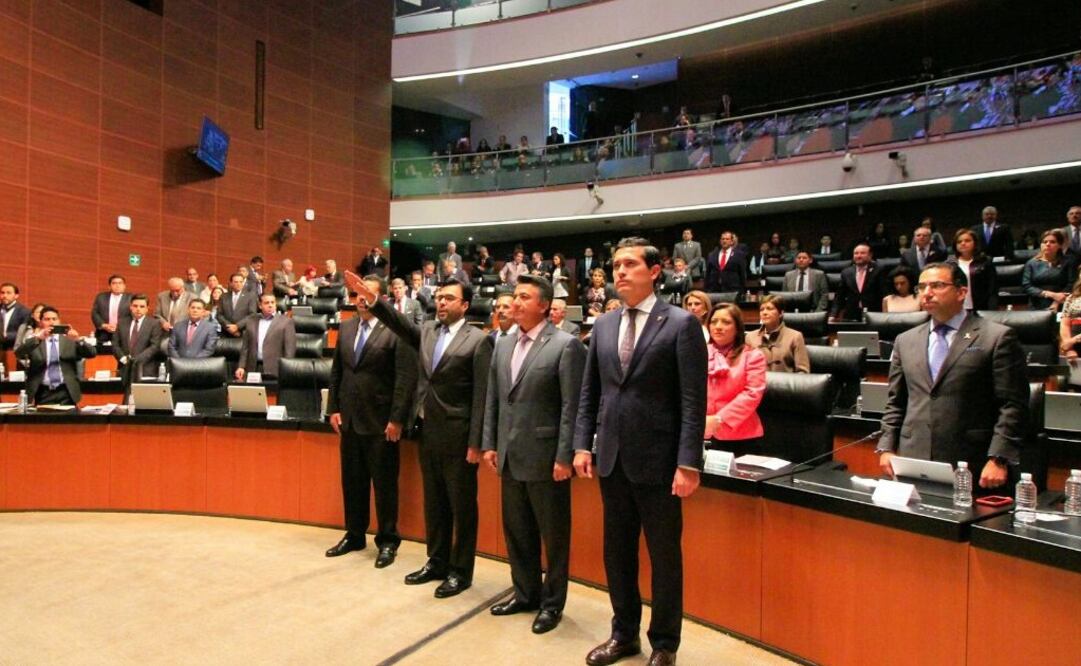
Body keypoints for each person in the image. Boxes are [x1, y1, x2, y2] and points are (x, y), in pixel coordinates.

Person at [572, 237, 707, 666]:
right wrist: (581, 444)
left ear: (654, 272)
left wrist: (688, 462)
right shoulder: (606, 325)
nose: (620, 272)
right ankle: (623, 634)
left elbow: (692, 401)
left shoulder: (681, 324)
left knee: (665, 557)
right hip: (611, 456)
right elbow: (590, 392)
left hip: (661, 461)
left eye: (629, 264)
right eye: (615, 265)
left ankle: (664, 643)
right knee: (618, 552)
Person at [354, 273, 492, 599]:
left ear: (465, 305)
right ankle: (437, 561)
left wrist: (477, 441)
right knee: (435, 503)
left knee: (461, 508)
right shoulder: (428, 330)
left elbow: (482, 396)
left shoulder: (478, 339)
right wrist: (375, 302)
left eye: (449, 298)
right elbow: (401, 325)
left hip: (459, 436)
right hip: (428, 431)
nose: (441, 302)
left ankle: (460, 571)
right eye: (439, 297)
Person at [482, 275, 585, 634]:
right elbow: (494, 399)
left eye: (524, 297)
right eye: (515, 296)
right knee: (518, 532)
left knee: (554, 538)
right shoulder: (504, 344)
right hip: (510, 454)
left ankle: (552, 604)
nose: (516, 303)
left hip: (547, 458)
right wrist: (490, 443)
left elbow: (573, 406)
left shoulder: (565, 345)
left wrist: (565, 456)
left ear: (544, 305)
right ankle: (525, 593)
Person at [877, 263, 1028, 493]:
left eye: (937, 285)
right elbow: (896, 400)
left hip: (972, 462)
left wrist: (999, 458)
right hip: (914, 457)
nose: (927, 292)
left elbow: (1013, 404)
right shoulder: (905, 340)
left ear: (961, 292)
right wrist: (886, 446)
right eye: (922, 287)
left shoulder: (996, 337)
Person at [326, 275, 418, 569]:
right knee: (352, 482)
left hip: (382, 423)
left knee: (385, 485)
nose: (361, 299)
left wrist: (397, 419)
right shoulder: (348, 326)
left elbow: (405, 378)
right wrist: (334, 408)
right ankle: (354, 534)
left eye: (367, 294)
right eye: (357, 294)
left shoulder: (395, 329)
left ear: (382, 299)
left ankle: (388, 540)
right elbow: (338, 371)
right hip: (350, 419)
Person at [704, 303, 767, 447]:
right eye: (714, 321)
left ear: (738, 327)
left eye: (726, 322)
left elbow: (752, 394)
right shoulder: (698, 352)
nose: (718, 326)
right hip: (700, 430)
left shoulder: (753, 356)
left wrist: (719, 419)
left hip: (739, 435)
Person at [16, 306, 96, 405]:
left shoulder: (70, 339)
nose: (51, 322)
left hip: (67, 391)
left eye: (54, 319)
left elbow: (92, 353)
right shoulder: (34, 340)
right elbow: (19, 353)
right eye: (47, 319)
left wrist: (78, 340)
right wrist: (38, 338)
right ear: (40, 322)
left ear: (59, 321)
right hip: (42, 392)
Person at [236, 294, 297, 380]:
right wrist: (241, 366)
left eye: (272, 302)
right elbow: (245, 347)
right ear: (260, 305)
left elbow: (289, 349)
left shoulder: (286, 322)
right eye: (266, 303)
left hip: (275, 369)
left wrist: (287, 369)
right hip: (254, 368)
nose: (270, 305)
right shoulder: (251, 321)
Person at [114, 294, 163, 399]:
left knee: (144, 401)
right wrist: (123, 358)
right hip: (125, 368)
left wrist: (136, 360)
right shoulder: (122, 322)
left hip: (145, 367)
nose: (138, 309)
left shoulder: (154, 323)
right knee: (126, 400)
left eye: (142, 306)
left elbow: (155, 346)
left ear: (147, 309)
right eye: (135, 306)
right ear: (130, 307)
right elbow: (115, 344)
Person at [745, 296, 809, 373]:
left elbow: (803, 372)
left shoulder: (795, 336)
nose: (764, 312)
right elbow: (745, 369)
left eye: (769, 309)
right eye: (761, 309)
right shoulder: (750, 337)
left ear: (781, 313)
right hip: (758, 384)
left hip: (785, 384)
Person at [1022, 229, 1073, 310]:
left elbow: (1071, 284)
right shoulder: (1031, 263)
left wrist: (1056, 302)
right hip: (1037, 303)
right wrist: (1050, 294)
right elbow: (1027, 286)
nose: (1048, 244)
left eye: (1052, 242)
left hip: (1062, 302)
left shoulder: (1068, 262)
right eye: (1044, 242)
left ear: (1060, 245)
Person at [831, 243, 883, 321]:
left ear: (870, 255)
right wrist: (833, 314)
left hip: (874, 313)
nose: (859, 256)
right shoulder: (846, 272)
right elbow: (839, 296)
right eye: (856, 253)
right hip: (851, 314)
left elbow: (884, 294)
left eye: (862, 253)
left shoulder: (878, 270)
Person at [947, 228, 997, 311]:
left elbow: (993, 288)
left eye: (967, 241)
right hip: (956, 307)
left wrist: (992, 308)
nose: (963, 243)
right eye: (959, 242)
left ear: (975, 243)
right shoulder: (949, 264)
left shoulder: (985, 262)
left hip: (981, 307)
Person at [90, 274, 131, 345]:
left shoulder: (131, 298)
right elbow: (95, 313)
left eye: (120, 283)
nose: (117, 285)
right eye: (114, 283)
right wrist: (103, 325)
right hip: (103, 333)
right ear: (109, 286)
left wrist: (120, 326)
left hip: (123, 333)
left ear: (124, 286)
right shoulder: (101, 297)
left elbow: (133, 315)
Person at [705, 231, 747, 295]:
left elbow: (742, 274)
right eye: (722, 239)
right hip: (714, 290)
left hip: (732, 290)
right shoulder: (712, 255)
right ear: (720, 241)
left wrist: (742, 291)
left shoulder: (739, 255)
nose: (724, 241)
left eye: (727, 239)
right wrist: (707, 289)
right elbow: (707, 274)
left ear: (731, 242)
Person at [218, 273, 258, 338]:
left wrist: (237, 326)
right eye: (236, 282)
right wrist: (228, 326)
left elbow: (252, 315)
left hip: (243, 332)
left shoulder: (250, 296)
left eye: (241, 282)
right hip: (226, 332)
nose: (238, 284)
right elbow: (219, 315)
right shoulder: (224, 296)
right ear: (231, 283)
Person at [1, 282, 32, 351]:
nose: (4, 295)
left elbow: (24, 333)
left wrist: (4, 335)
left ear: (16, 295)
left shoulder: (25, 312)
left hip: (13, 349)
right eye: (2, 293)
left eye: (8, 293)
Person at [1059, 273, 1081, 358]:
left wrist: (1073, 340)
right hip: (1074, 346)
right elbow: (1065, 324)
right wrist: (1070, 349)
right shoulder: (1072, 298)